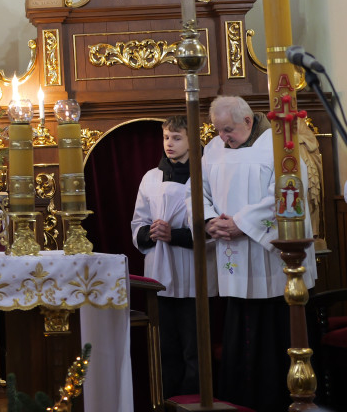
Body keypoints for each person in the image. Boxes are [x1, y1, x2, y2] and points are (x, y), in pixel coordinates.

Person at [198, 95, 316, 412]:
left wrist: (241, 223)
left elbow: (288, 193)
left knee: (273, 332)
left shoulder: (279, 147)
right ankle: (239, 401)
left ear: (248, 121)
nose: (223, 136)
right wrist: (210, 221)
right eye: (219, 130)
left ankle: (276, 399)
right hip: (232, 254)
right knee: (240, 330)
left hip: (271, 261)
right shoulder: (211, 150)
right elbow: (196, 190)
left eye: (229, 129)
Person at [131, 115, 216, 398]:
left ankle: (194, 399)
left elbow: (213, 226)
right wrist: (150, 232)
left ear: (193, 141)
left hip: (191, 270)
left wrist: (175, 235)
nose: (169, 143)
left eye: (177, 138)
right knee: (165, 346)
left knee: (195, 346)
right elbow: (137, 223)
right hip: (159, 272)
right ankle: (166, 399)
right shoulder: (150, 177)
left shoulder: (205, 176)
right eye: (167, 137)